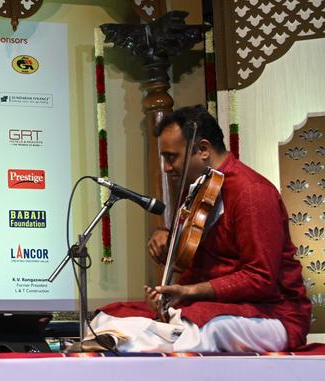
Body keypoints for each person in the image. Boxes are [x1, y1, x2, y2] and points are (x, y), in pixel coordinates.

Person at [91, 106, 311, 352]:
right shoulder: (199, 189)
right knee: (107, 318)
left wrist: (189, 291)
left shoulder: (252, 192)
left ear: (203, 149)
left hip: (272, 315)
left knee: (207, 329)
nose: (166, 167)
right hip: (206, 307)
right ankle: (121, 342)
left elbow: (261, 279)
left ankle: (129, 346)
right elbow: (191, 246)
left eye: (171, 157)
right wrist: (164, 236)